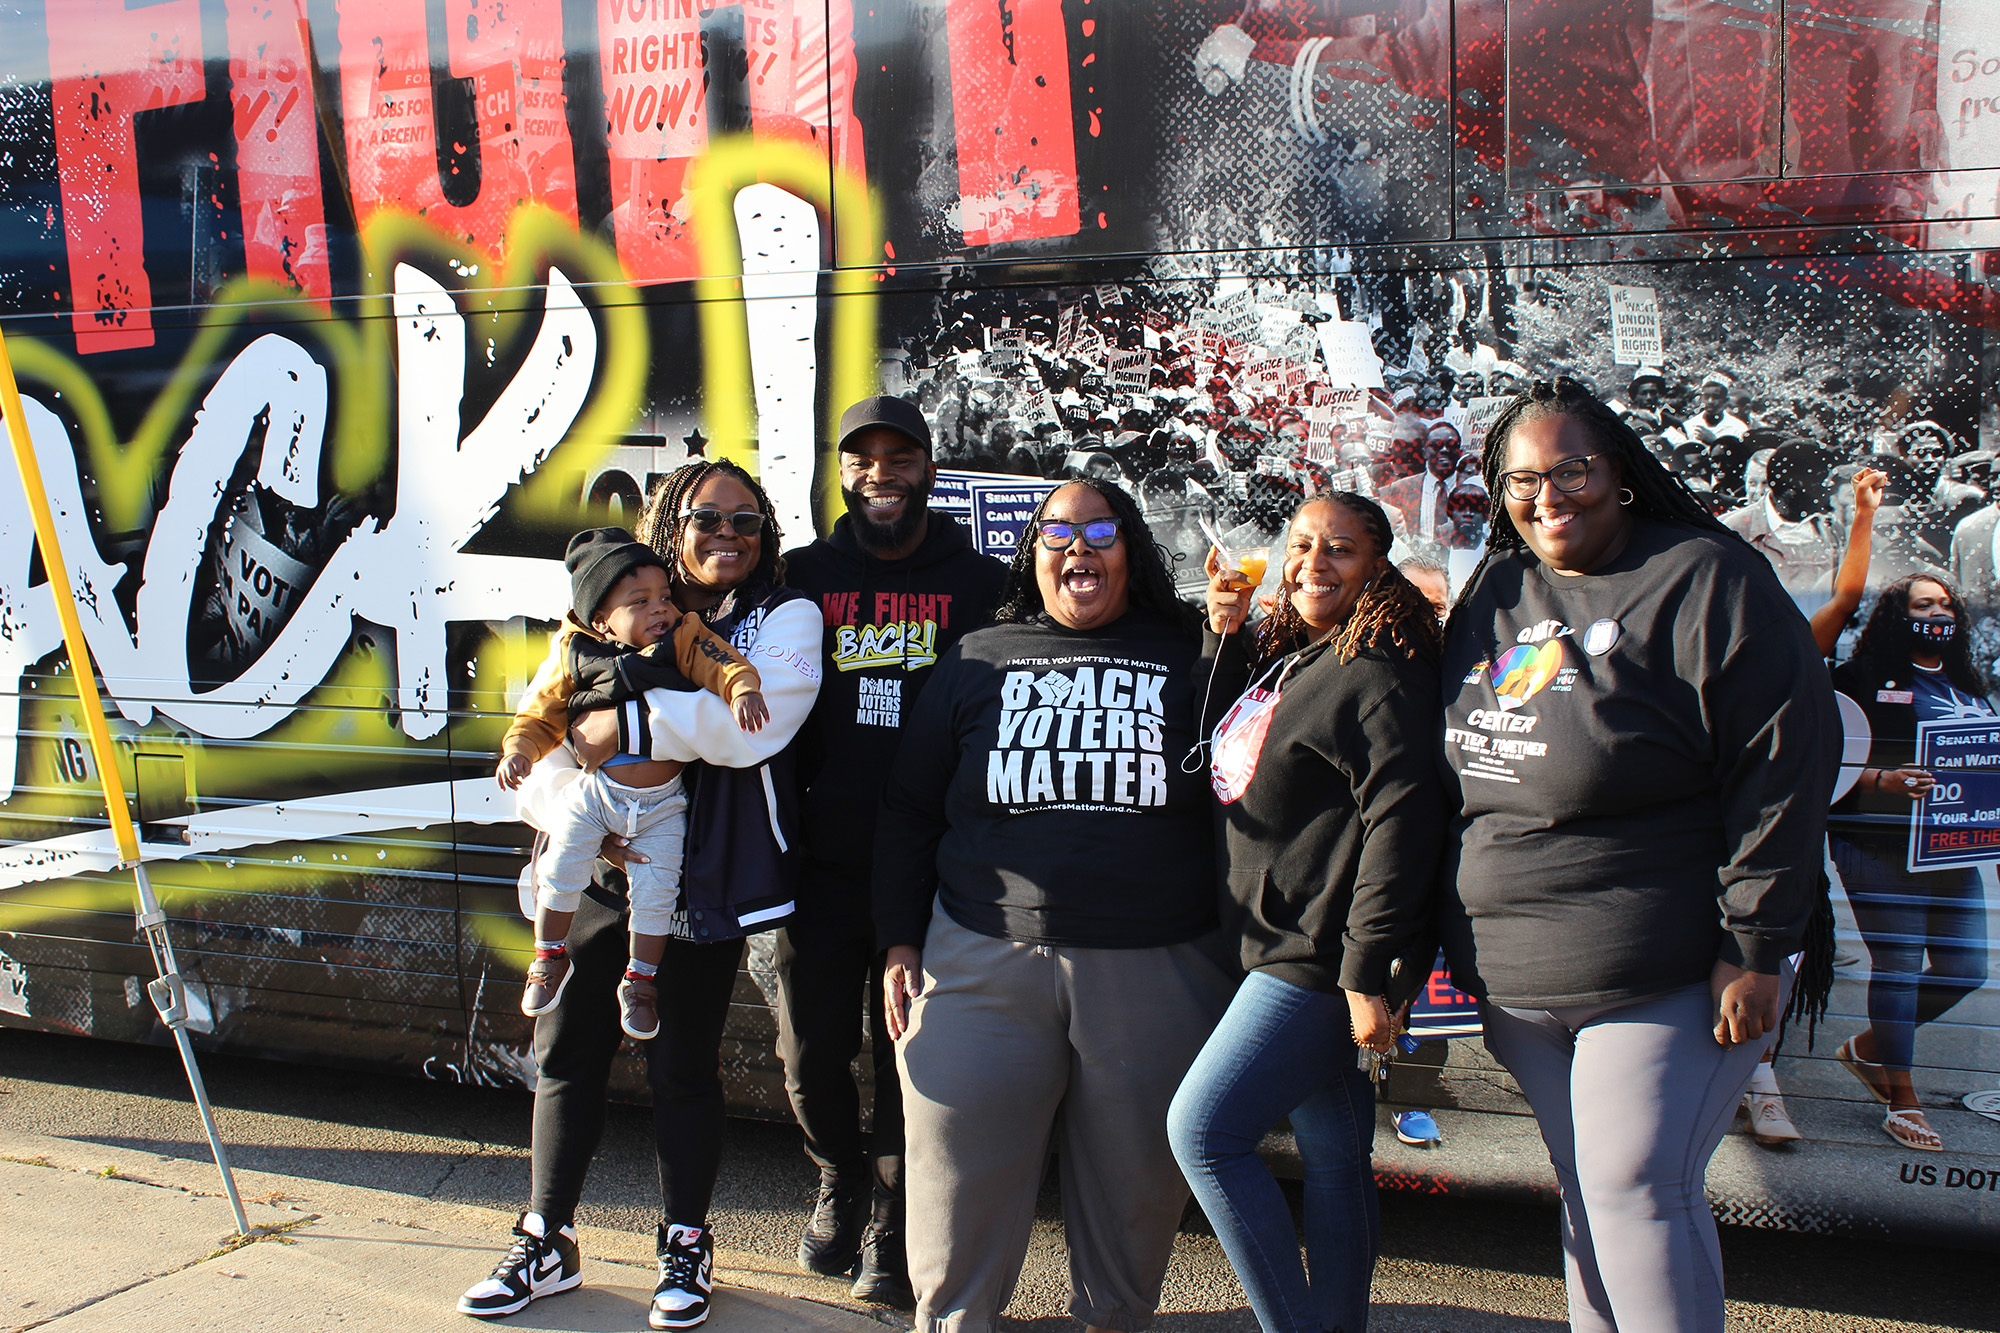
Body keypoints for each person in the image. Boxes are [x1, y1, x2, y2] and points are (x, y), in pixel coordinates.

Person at [1441, 380, 1835, 1333]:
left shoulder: (1707, 576)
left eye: (1573, 468)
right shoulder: (1500, 586)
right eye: (1523, 478)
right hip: (1517, 979)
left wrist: (1756, 945)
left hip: (1660, 969)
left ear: (1620, 475)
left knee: (1634, 1193)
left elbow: (1784, 767)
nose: (1549, 495)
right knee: (1594, 1198)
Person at [459, 459, 823, 1330]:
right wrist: (579, 800)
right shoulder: (589, 622)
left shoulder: (780, 617)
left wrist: (603, 723)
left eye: (746, 519)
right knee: (566, 1050)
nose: (726, 534)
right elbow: (533, 749)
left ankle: (685, 1245)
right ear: (672, 529)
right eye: (706, 518)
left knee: (682, 1064)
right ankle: (545, 1237)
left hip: (698, 883)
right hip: (598, 871)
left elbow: (746, 735)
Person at [873, 479, 1233, 1333]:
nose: (1079, 547)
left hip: (1157, 963)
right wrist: (896, 940)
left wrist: (1231, 636)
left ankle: (1113, 1320)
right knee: (957, 1173)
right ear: (1032, 555)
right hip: (979, 956)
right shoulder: (975, 656)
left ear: (1132, 549)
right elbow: (910, 809)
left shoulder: (1191, 649)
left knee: (1136, 1186)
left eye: (1100, 529)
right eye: (1057, 532)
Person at [1169, 492, 1445, 1333]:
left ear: (1378, 567)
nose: (1312, 563)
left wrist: (1366, 971)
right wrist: (1224, 633)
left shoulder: (1379, 672)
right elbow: (1213, 748)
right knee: (1330, 1153)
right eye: (1301, 545)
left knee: (1204, 1131)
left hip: (1319, 957)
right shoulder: (1306, 654)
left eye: (1341, 549)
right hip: (1277, 943)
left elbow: (1406, 819)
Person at [777, 397, 1006, 1307]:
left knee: (909, 1053)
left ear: (929, 469)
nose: (882, 473)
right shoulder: (801, 576)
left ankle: (889, 1209)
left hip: (936, 869)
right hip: (821, 863)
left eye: (899, 456)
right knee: (809, 1051)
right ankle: (838, 1174)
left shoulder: (982, 583)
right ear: (842, 471)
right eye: (863, 458)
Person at [497, 528, 767, 1040]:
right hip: (595, 795)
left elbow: (723, 662)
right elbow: (540, 715)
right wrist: (518, 751)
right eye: (639, 602)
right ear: (601, 619)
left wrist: (742, 690)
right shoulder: (574, 655)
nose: (661, 609)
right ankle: (548, 956)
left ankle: (640, 982)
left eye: (664, 596)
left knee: (657, 893)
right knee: (561, 868)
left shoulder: (683, 638)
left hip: (663, 804)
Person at [1827, 573, 1993, 1153]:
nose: (1938, 613)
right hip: (1878, 842)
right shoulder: (1860, 677)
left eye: (1946, 605)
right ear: (1898, 614)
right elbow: (1818, 753)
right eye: (1924, 604)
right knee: (1896, 965)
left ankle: (1870, 1048)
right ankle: (1902, 1098)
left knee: (1966, 968)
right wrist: (1881, 780)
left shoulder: (1968, 683)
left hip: (1952, 848)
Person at [1378, 421, 1463, 542]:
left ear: (1460, 451)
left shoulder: (1473, 490)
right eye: (1436, 445)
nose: (1444, 450)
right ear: (1424, 452)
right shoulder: (1399, 489)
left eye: (1451, 445)